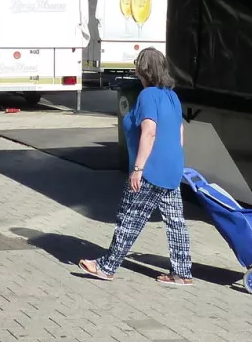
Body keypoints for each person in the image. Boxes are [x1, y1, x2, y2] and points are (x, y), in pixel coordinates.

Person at [80, 47, 193, 286]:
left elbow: (149, 131)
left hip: (151, 170)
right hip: (173, 169)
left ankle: (107, 267)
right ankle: (182, 273)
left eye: (137, 65)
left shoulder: (148, 95)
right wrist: (175, 157)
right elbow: (180, 130)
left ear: (143, 70)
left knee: (128, 218)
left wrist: (139, 168)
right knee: (175, 222)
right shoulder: (172, 96)